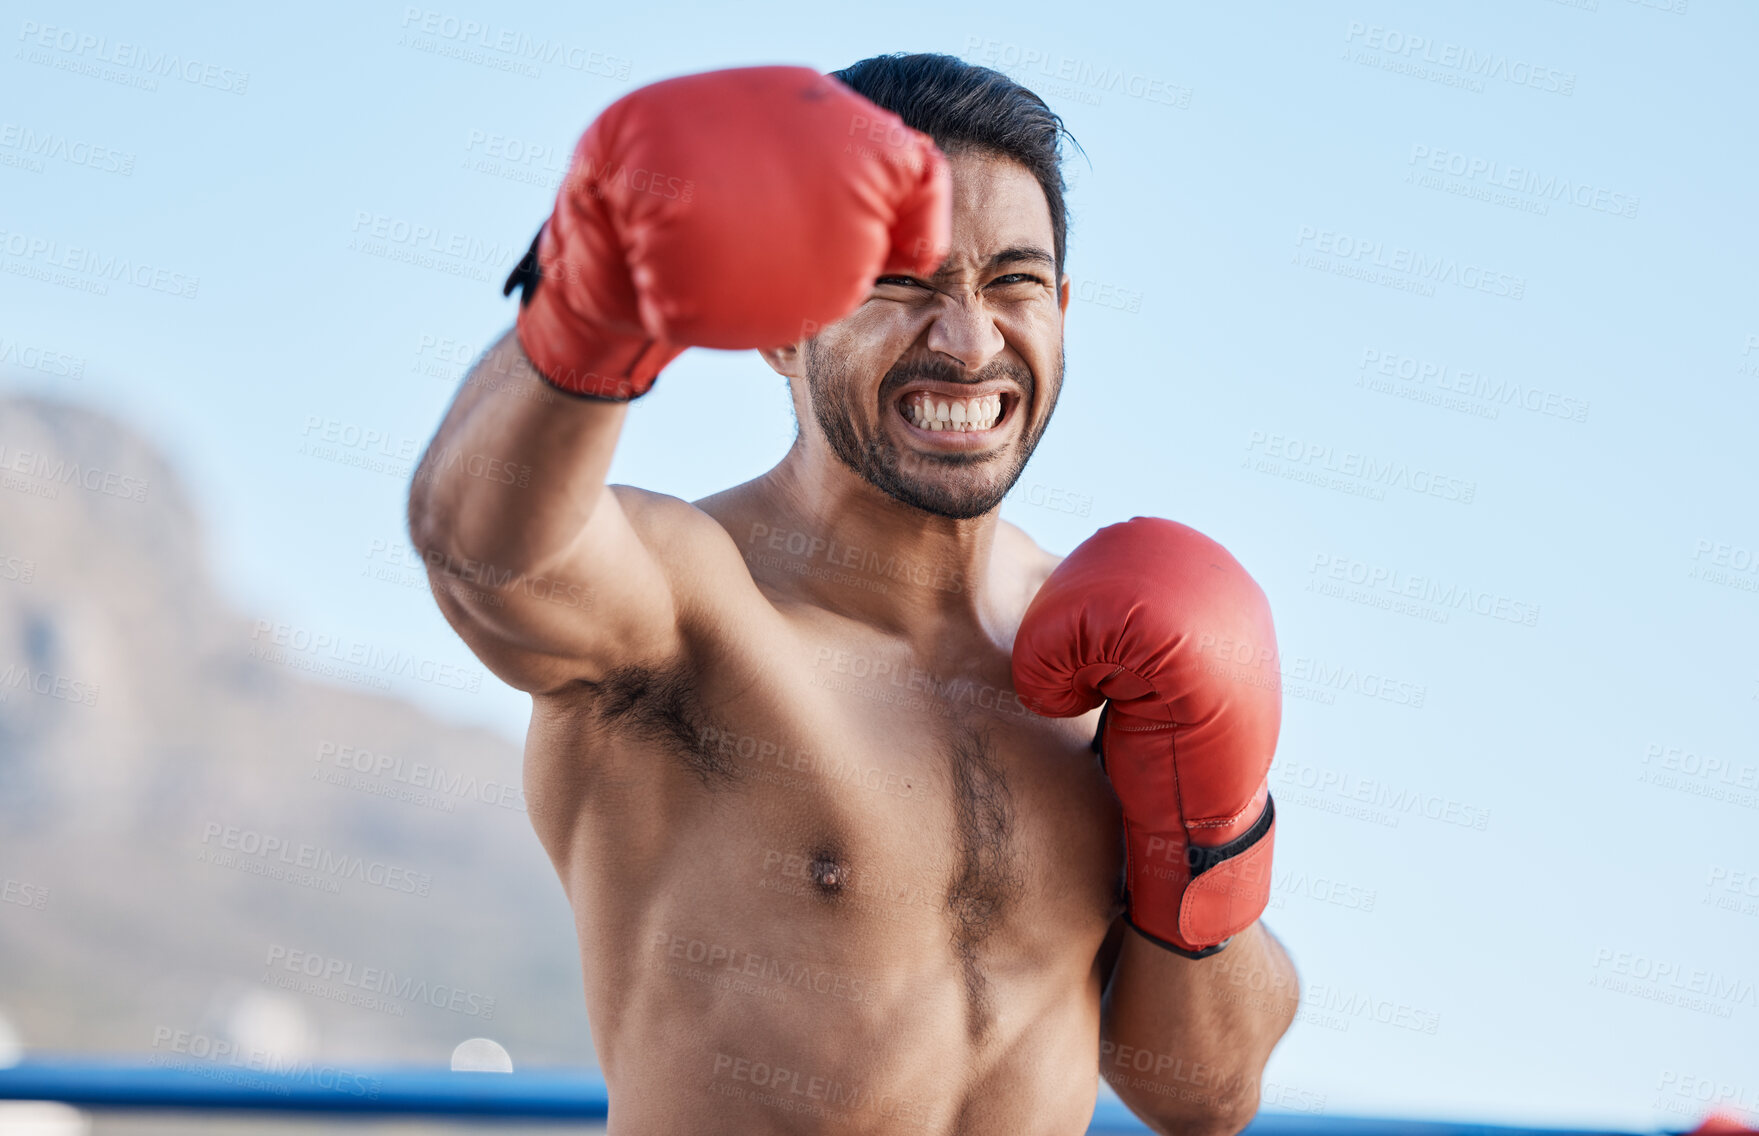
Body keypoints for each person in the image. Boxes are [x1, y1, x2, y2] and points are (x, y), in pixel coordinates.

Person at [408, 53, 1298, 1136]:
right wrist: (591, 301)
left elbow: (1204, 1094)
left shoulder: (1106, 656)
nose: (968, 342)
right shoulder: (695, 602)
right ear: (785, 323)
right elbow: (486, 555)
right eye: (900, 283)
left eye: (1013, 282)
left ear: (1061, 308)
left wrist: (1209, 834)